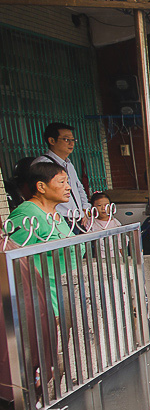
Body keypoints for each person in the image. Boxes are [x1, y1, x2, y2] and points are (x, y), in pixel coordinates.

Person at [8, 161, 76, 316]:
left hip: (67, 299)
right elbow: (14, 262)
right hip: (46, 306)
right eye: (61, 182)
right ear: (41, 187)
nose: (68, 187)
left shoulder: (56, 214)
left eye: (67, 182)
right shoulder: (27, 215)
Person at [34, 122, 90, 229]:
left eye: (73, 140)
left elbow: (79, 188)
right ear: (52, 141)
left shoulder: (68, 164)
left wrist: (84, 210)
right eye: (66, 139)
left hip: (78, 218)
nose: (71, 143)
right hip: (60, 218)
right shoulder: (43, 164)